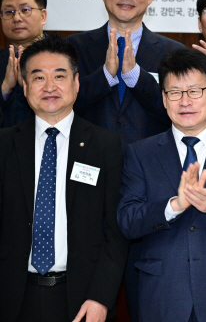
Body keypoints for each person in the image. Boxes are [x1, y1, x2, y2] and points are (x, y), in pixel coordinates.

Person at [67, 0, 184, 321]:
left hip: (150, 194)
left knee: (146, 303)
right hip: (84, 189)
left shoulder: (173, 54)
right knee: (85, 302)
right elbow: (59, 107)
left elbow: (181, 115)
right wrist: (104, 76)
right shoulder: (73, 49)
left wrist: (135, 78)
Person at [117, 48, 206, 322]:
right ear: (164, 98)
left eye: (195, 91)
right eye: (175, 92)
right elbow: (127, 221)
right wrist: (174, 205)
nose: (185, 101)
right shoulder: (140, 153)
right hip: (162, 296)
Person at [0, 36, 128, 322]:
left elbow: (116, 231)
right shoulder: (5, 145)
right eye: (38, 77)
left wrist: (101, 297)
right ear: (25, 86)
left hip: (82, 297)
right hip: (12, 297)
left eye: (59, 76)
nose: (49, 87)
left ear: (76, 83)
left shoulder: (105, 146)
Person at [0, 0, 48, 126]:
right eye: (9, 12)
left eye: (25, 10)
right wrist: (5, 90)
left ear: (43, 16)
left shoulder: (66, 56)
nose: (16, 18)